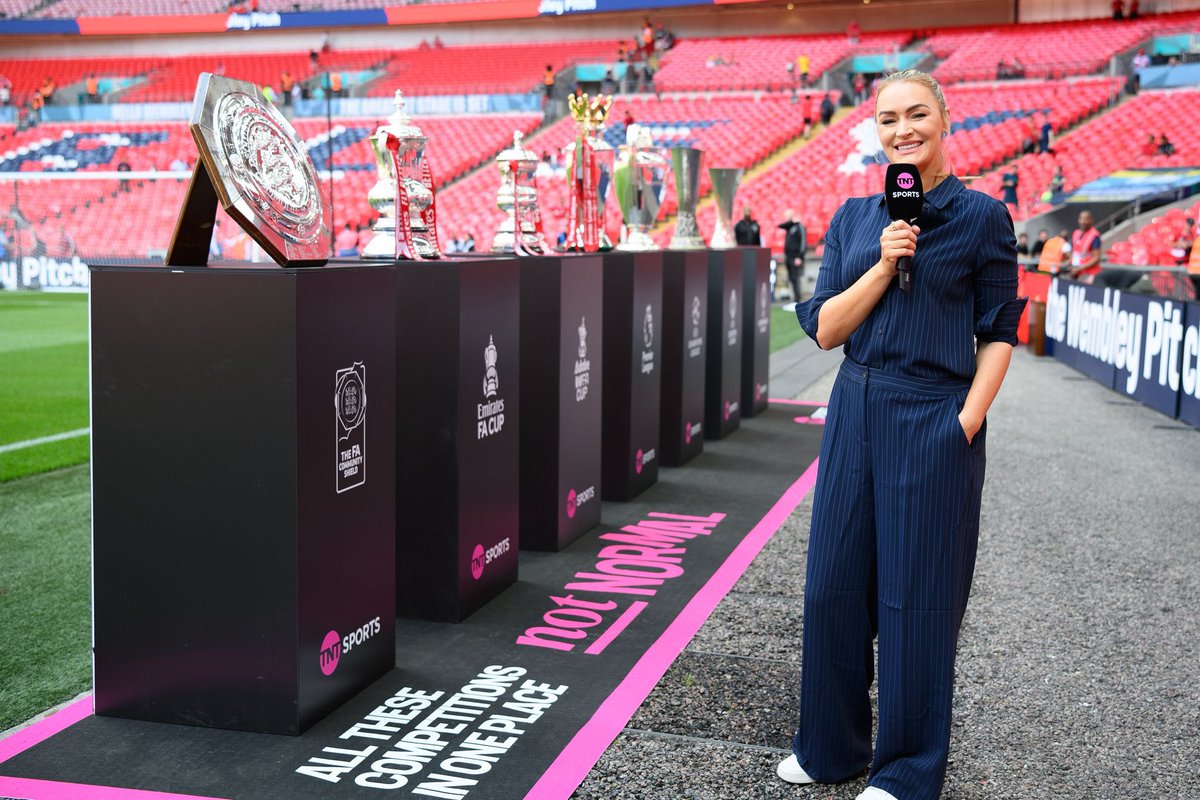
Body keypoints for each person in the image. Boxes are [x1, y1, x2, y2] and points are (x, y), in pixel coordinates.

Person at [779, 69, 1025, 800]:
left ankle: (908, 773)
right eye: (889, 119)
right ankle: (831, 749)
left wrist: (965, 423)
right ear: (876, 130)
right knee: (831, 589)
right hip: (855, 405)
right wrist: (886, 263)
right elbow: (825, 329)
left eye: (917, 114)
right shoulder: (856, 218)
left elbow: (1000, 333)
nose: (903, 130)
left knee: (917, 600)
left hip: (933, 414)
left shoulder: (983, 217)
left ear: (945, 118)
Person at [778, 209, 807, 299]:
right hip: (788, 256)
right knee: (791, 278)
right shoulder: (789, 226)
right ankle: (794, 298)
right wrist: (791, 222)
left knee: (796, 278)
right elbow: (780, 226)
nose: (785, 218)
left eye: (787, 216)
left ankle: (798, 299)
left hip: (796, 257)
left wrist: (799, 257)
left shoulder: (799, 226)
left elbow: (803, 242)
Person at [1069, 209, 1102, 282]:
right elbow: (1075, 253)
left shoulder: (1094, 236)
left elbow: (1096, 258)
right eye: (1081, 218)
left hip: (1088, 274)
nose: (1083, 221)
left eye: (1086, 219)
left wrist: (1079, 268)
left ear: (1091, 220)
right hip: (1077, 272)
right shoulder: (1076, 233)